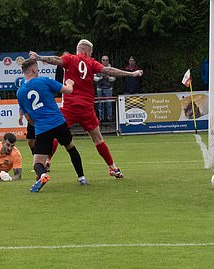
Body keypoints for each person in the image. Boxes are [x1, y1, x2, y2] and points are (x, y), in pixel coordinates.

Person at [28, 39, 143, 178]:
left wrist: (39, 58)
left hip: (69, 107)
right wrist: (131, 74)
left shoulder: (70, 58)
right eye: (91, 52)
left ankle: (46, 161)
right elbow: (109, 71)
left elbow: (56, 60)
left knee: (56, 135)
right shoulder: (91, 62)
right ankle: (112, 167)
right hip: (86, 108)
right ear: (87, 51)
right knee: (98, 139)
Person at [16, 58, 87, 192]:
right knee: (70, 147)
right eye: (36, 68)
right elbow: (68, 90)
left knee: (37, 162)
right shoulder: (44, 81)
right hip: (58, 122)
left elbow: (27, 116)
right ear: (32, 69)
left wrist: (37, 125)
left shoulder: (20, 92)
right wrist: (70, 83)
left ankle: (43, 175)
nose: (38, 70)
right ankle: (81, 177)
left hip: (42, 128)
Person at [94, 55, 116, 121]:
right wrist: (100, 78)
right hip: (99, 88)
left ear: (108, 61)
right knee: (100, 104)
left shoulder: (111, 69)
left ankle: (109, 118)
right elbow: (94, 77)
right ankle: (101, 118)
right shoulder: (97, 67)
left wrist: (108, 78)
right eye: (103, 60)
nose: (105, 61)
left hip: (108, 88)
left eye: (106, 60)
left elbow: (114, 78)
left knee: (109, 103)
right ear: (101, 60)